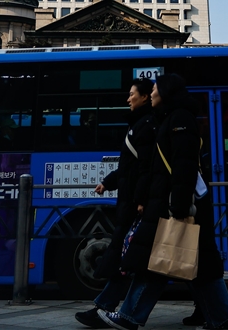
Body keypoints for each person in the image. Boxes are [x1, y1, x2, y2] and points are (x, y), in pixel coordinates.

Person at [102, 74, 228, 330]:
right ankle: (224, 319)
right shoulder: (171, 118)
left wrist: (179, 206)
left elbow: (183, 166)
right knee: (195, 266)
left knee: (162, 262)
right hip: (171, 203)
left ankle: (129, 316)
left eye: (155, 88)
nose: (152, 93)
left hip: (176, 206)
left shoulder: (179, 119)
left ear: (166, 92)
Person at [74, 78, 156, 328]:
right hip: (132, 200)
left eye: (132, 94)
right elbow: (129, 167)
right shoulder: (139, 123)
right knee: (129, 257)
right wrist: (108, 182)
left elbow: (145, 168)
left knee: (131, 258)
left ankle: (105, 307)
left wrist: (140, 199)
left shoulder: (146, 125)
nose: (128, 98)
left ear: (144, 96)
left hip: (136, 203)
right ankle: (104, 306)